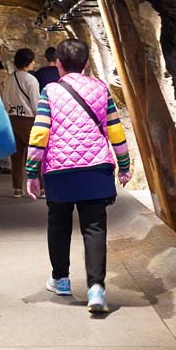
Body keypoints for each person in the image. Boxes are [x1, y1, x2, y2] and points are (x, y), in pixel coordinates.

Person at [26, 39, 131, 313]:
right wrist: (124, 163)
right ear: (86, 63)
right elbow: (115, 130)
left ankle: (61, 279)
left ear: (58, 63)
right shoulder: (101, 89)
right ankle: (96, 288)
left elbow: (40, 132)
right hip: (96, 168)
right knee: (94, 227)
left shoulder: (50, 91)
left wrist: (31, 172)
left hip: (60, 170)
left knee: (59, 224)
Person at [1, 48, 40, 198]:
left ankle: (17, 188)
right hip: (28, 120)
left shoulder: (8, 79)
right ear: (28, 62)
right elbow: (35, 104)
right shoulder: (31, 80)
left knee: (16, 156)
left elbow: (5, 101)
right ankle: (41, 188)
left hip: (12, 119)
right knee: (36, 154)